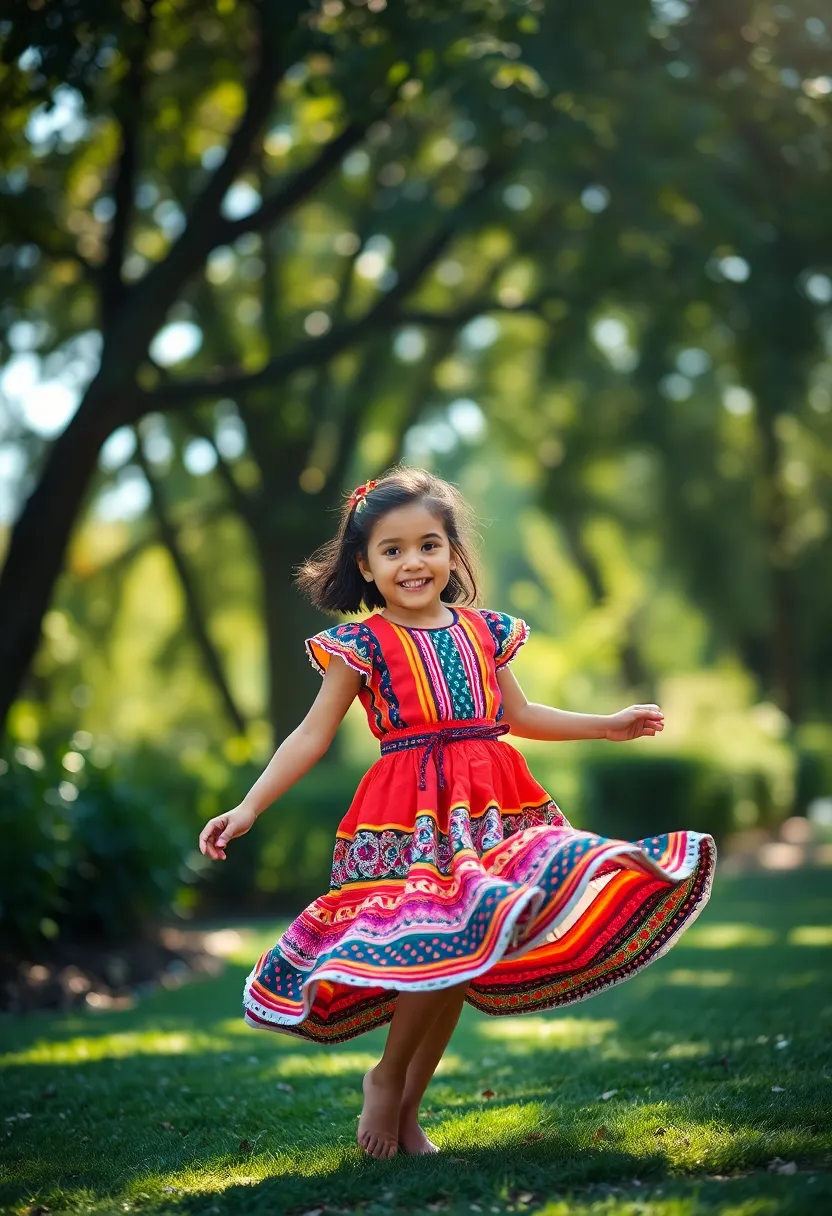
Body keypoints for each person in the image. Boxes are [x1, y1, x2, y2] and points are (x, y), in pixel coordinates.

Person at [199, 466, 715, 1161]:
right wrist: (249, 805)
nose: (413, 562)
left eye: (429, 545)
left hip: (493, 805)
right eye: (393, 550)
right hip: (408, 815)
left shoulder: (486, 631)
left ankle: (407, 1109)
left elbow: (521, 714)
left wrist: (607, 724)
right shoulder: (360, 646)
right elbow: (311, 735)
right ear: (365, 564)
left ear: (452, 553)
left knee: (461, 962)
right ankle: (385, 1078)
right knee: (432, 955)